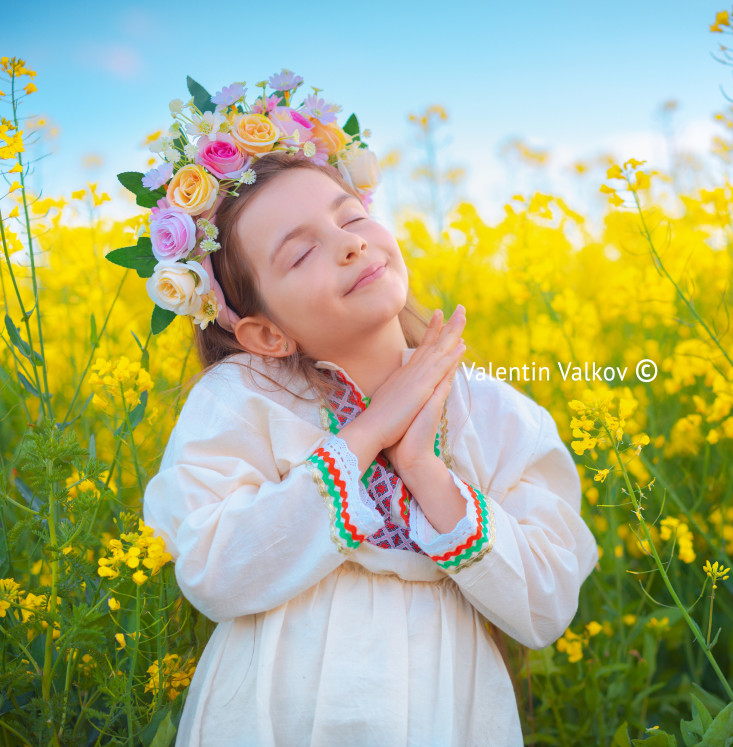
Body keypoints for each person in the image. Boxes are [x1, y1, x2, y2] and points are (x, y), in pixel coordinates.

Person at [124, 74, 599, 746]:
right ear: (264, 332)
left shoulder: (493, 410)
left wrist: (424, 471)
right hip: (272, 705)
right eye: (301, 252)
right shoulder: (239, 399)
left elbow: (545, 605)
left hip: (444, 706)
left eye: (351, 217)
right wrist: (371, 432)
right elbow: (214, 570)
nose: (349, 243)